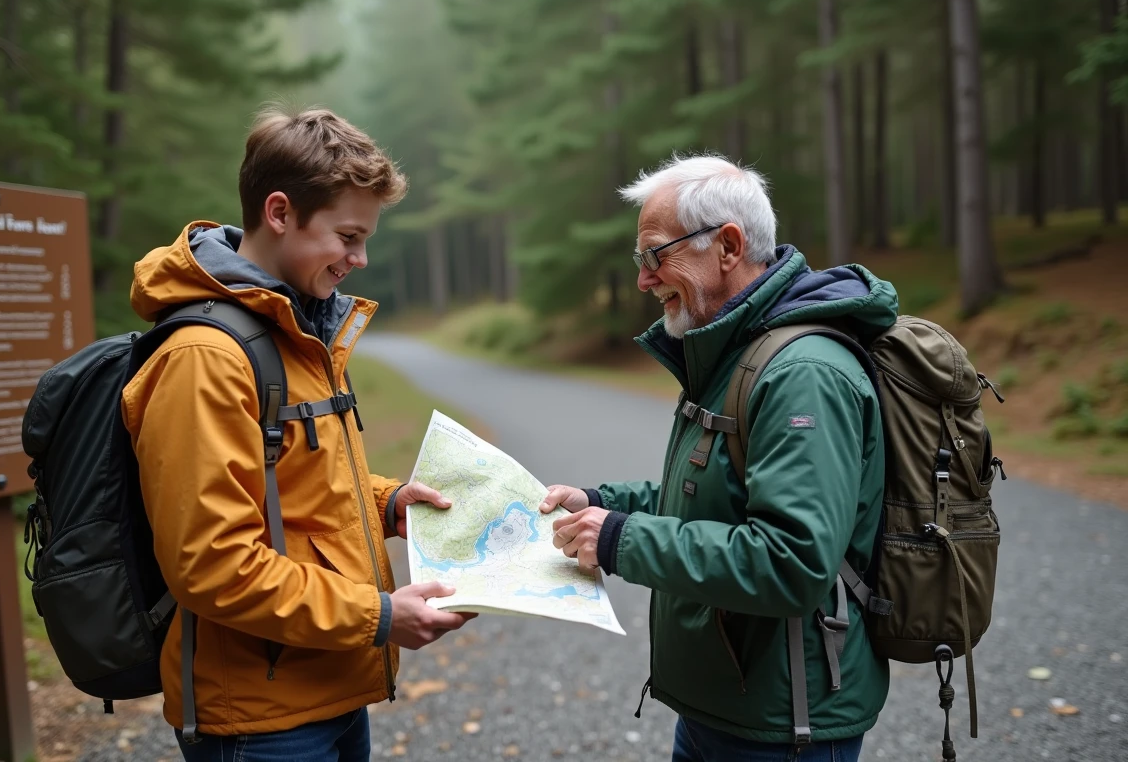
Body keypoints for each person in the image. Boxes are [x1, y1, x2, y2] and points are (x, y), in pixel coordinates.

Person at [121, 105, 473, 761]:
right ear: (280, 213)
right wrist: (383, 616)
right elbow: (213, 565)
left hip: (330, 690)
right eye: (346, 236)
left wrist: (388, 503)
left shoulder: (296, 332)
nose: (360, 258)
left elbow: (295, 486)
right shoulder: (206, 357)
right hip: (261, 721)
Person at [542, 155, 896, 762]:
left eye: (655, 255)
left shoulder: (802, 374)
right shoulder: (733, 350)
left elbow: (793, 560)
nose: (644, 280)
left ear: (728, 246)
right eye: (639, 260)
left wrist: (621, 539)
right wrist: (601, 505)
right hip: (728, 709)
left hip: (786, 725)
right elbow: (711, 500)